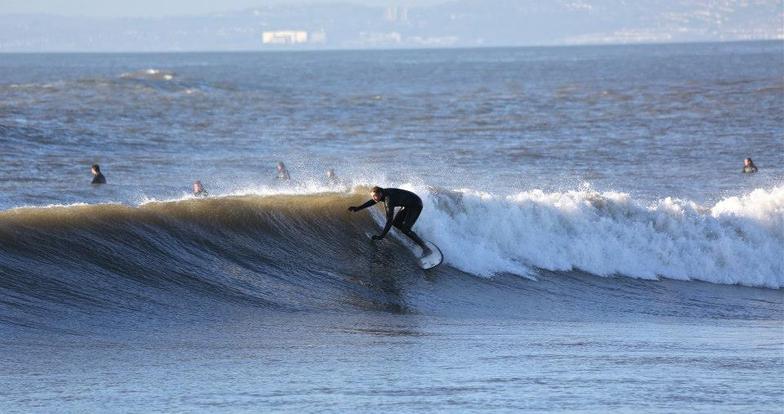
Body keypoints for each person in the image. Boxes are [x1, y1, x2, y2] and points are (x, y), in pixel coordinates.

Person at [348, 186, 431, 256]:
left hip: (415, 205)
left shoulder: (389, 200)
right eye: (372, 196)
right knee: (396, 224)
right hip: (408, 204)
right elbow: (373, 201)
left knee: (405, 229)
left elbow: (389, 220)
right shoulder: (382, 193)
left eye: (375, 196)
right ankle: (413, 236)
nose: (373, 198)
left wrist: (382, 236)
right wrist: (358, 208)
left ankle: (426, 249)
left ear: (380, 194)